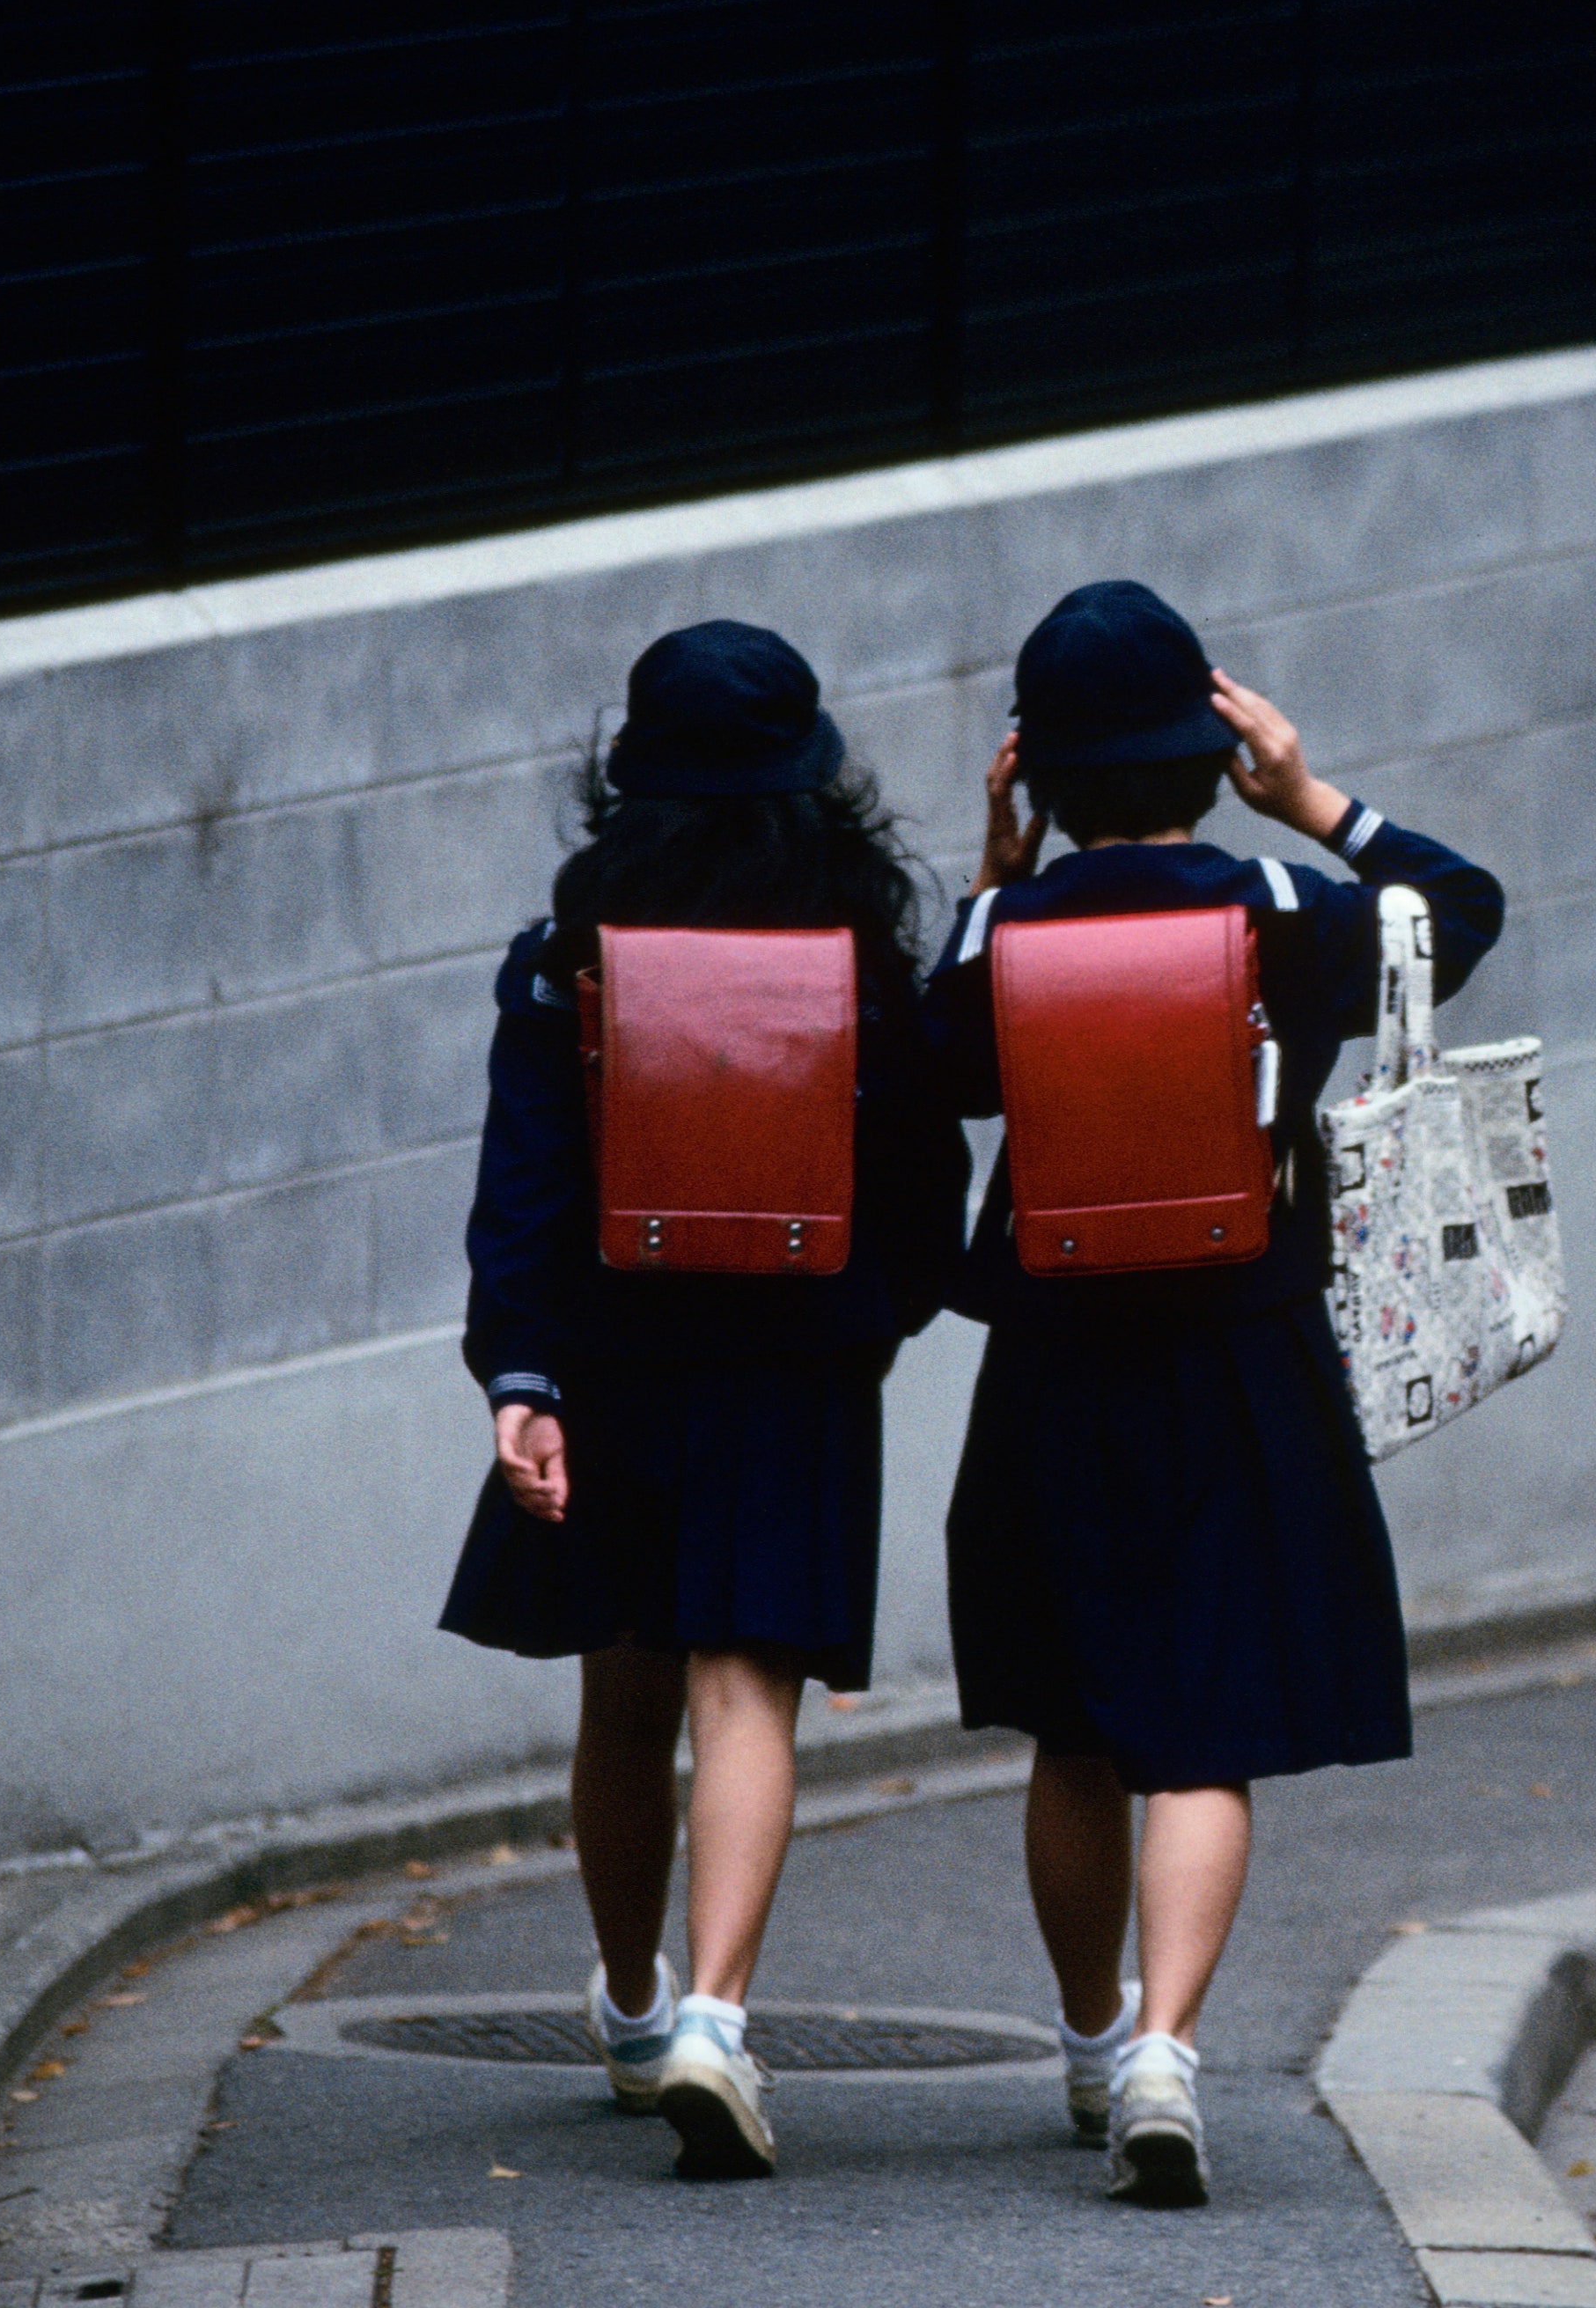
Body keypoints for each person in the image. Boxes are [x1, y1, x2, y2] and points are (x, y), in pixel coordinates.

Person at [924, 580, 1504, 2207]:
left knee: (1072, 1726)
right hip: (1241, 1355)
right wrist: (1312, 795)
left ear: (1034, 775)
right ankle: (1174, 2049)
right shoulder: (1282, 910)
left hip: (1051, 1367)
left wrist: (993, 876)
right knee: (1204, 1728)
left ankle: (1097, 2036)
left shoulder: (997, 942)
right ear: (1206, 748)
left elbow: (923, 1068)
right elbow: (1461, 906)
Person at [440, 621, 969, 2179]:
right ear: (815, 794)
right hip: (797, 1358)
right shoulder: (865, 971)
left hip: (611, 1352)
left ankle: (622, 2003)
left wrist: (521, 1377)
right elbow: (925, 1189)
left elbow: (521, 1187)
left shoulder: (568, 965)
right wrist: (872, 1327)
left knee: (626, 1692)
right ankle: (719, 2021)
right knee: (753, 1693)